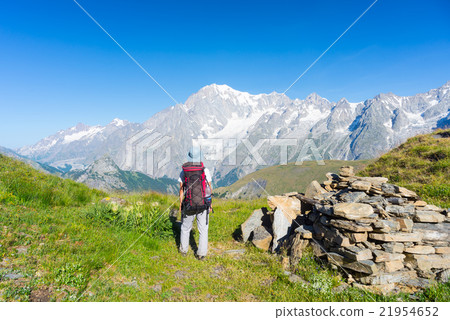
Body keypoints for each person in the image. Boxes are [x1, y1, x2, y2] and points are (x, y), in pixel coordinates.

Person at [178, 147, 213, 260]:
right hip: (202, 203)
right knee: (203, 229)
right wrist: (210, 204)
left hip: (188, 203)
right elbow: (209, 189)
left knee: (185, 227)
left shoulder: (184, 171)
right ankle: (201, 254)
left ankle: (183, 251)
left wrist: (181, 204)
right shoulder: (205, 170)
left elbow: (181, 189)